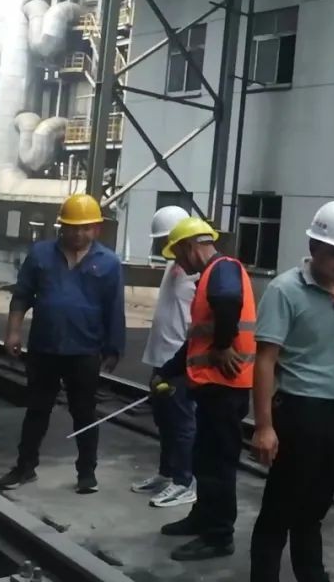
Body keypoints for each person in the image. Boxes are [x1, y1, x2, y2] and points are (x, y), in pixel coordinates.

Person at [250, 201, 334, 582]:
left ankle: (311, 575)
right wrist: (264, 426)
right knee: (279, 511)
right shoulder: (285, 291)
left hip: (332, 414)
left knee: (314, 509)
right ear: (314, 246)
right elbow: (265, 360)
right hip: (298, 413)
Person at [0, 193, 125, 495]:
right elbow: (22, 295)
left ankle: (87, 473)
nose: (78, 234)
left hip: (85, 351)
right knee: (37, 410)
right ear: (61, 227)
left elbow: (114, 308)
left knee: (85, 413)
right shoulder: (40, 254)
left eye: (85, 228)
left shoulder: (109, 263)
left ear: (97, 228)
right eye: (72, 227)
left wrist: (114, 347)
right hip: (45, 348)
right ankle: (25, 467)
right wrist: (13, 332)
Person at [155, 217, 256, 561]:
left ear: (188, 247)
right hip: (213, 387)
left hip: (225, 387)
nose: (178, 264)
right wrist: (167, 371)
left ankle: (218, 536)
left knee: (218, 465)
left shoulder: (223, 269)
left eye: (177, 255)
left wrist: (224, 345)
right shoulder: (211, 276)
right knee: (204, 459)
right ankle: (203, 517)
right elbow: (198, 341)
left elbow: (228, 301)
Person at [131, 205, 199, 508]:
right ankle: (167, 473)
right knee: (165, 421)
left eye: (165, 240)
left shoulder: (195, 273)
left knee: (182, 423)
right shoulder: (174, 267)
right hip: (161, 357)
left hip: (179, 362)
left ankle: (185, 482)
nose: (162, 246)